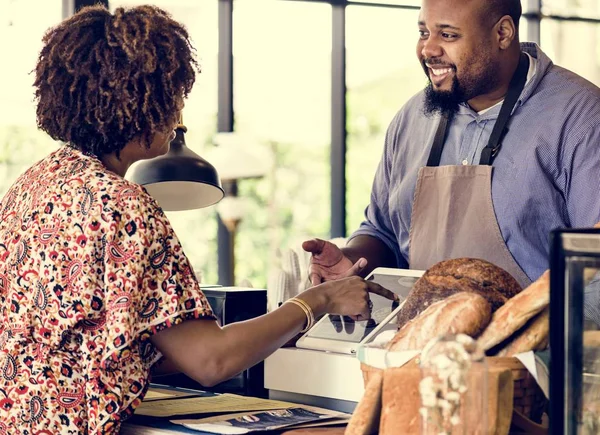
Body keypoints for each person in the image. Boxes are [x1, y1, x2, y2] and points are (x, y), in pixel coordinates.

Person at [0, 5, 396, 434]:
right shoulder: (123, 206)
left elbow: (103, 344)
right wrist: (320, 300)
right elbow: (210, 360)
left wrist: (275, 324)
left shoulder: (31, 187)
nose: (179, 115)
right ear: (138, 103)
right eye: (172, 96)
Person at [303, 0, 600, 321]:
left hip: (528, 361)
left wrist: (522, 337)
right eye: (423, 32)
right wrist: (353, 261)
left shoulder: (581, 118)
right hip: (414, 352)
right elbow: (382, 231)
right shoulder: (411, 117)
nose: (428, 49)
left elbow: (595, 274)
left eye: (447, 35)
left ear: (502, 33)